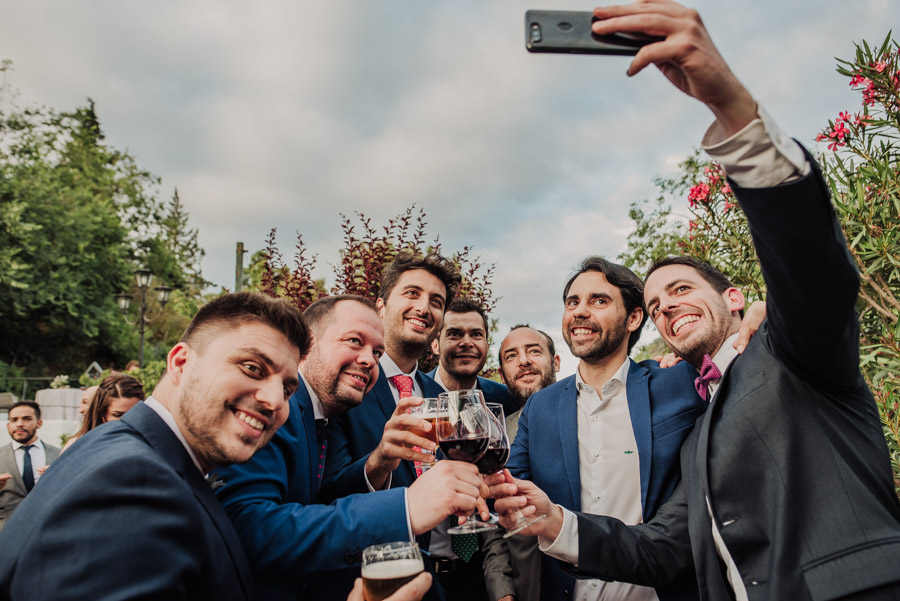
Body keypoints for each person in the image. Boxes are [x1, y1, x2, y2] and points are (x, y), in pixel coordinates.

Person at [490, 2, 900, 599]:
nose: (666, 307)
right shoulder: (699, 429)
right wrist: (558, 527)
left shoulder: (794, 355)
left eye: (679, 289)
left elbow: (813, 265)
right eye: (657, 303)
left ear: (735, 297)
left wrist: (731, 108)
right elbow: (662, 548)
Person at [0, 292, 309, 600]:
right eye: (252, 368)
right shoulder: (134, 482)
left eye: (286, 388)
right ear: (180, 363)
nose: (274, 401)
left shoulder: (125, 448)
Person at [216, 295, 489, 601]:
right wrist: (405, 508)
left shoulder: (320, 415)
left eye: (377, 352)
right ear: (308, 343)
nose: (369, 360)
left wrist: (382, 460)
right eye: (354, 341)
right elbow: (246, 528)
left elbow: (320, 502)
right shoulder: (279, 409)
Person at [502, 257, 708, 601]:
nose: (580, 312)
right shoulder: (540, 408)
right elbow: (508, 484)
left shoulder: (680, 381)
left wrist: (752, 317)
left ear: (633, 317)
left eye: (599, 301)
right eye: (573, 302)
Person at [481, 325, 560, 601]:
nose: (524, 361)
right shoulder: (497, 437)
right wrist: (502, 591)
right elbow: (490, 522)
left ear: (556, 362)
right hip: (527, 590)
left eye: (534, 351)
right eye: (511, 356)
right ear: (503, 376)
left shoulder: (591, 418)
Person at [428, 299, 519, 417]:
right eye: (454, 334)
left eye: (476, 335)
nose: (466, 342)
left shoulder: (508, 400)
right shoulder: (412, 394)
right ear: (435, 345)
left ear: (487, 345)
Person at [0, 402, 60, 533]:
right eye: (14, 420)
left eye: (26, 419)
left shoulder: (59, 455)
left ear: (39, 423)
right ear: (8, 425)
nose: (19, 424)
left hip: (48, 529)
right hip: (6, 532)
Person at [62, 374, 145, 452]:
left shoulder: (149, 446)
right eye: (118, 415)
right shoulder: (77, 446)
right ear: (102, 414)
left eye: (134, 413)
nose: (128, 421)